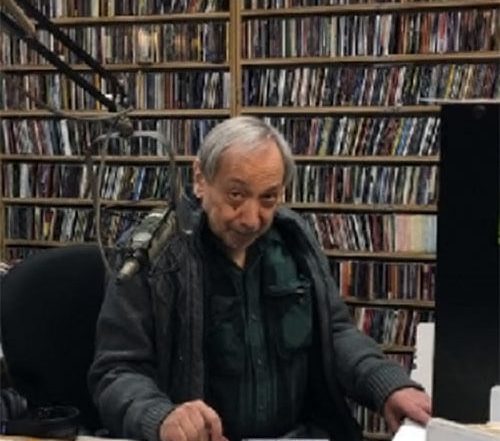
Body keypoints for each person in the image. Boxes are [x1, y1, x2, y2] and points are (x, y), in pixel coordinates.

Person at [88, 116, 431, 441]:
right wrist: (160, 417)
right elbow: (116, 372)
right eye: (236, 195)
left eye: (268, 197)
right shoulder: (152, 256)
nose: (251, 219)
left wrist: (387, 384)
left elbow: (335, 333)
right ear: (200, 179)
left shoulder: (294, 240)